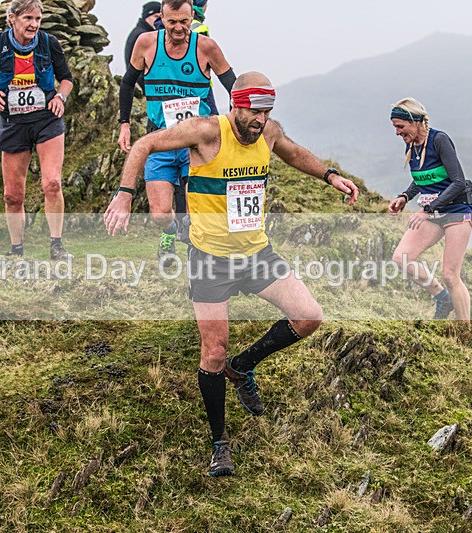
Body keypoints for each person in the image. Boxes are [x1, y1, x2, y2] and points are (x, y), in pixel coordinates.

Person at [105, 72, 359, 476]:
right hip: (210, 260)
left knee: (309, 316)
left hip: (257, 253)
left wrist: (330, 176)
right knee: (213, 352)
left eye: (266, 112)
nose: (260, 120)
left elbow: (292, 152)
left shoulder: (268, 133)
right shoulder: (207, 133)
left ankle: (242, 368)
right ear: (235, 105)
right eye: (254, 111)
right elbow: (145, 143)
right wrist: (124, 193)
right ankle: (220, 443)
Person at [119, 0, 237, 268]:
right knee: (160, 213)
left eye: (185, 21)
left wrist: (232, 123)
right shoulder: (147, 44)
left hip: (196, 143)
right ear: (162, 18)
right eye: (173, 22)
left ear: (191, 17)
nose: (179, 28)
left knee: (196, 209)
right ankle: (169, 232)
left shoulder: (206, 47)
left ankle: (200, 258)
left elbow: (233, 84)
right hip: (159, 140)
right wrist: (124, 123)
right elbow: (127, 83)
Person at [0, 0, 74, 260]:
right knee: (12, 196)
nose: (34, 24)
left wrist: (59, 98)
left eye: (38, 19)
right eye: (28, 18)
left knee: (52, 183)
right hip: (14, 123)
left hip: (46, 120)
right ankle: (16, 249)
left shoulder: (49, 43)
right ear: (12, 19)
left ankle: (57, 246)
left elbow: (66, 80)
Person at [388, 97, 472, 320]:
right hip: (433, 212)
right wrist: (405, 196)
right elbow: (423, 179)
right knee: (401, 258)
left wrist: (428, 210)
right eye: (395, 128)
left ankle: (466, 331)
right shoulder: (412, 144)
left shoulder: (439, 140)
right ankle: (441, 297)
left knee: (450, 275)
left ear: (416, 122)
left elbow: (458, 181)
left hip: (456, 210)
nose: (397, 133)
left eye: (400, 127)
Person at [124, 2, 162, 92]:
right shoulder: (143, 36)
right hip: (144, 86)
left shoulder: (140, 32)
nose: (159, 21)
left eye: (161, 17)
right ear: (146, 16)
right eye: (156, 16)